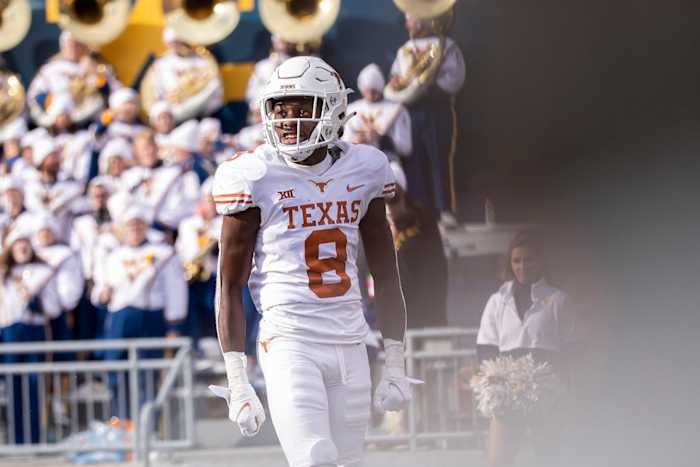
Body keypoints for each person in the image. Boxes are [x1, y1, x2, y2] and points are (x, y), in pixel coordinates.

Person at [213, 56, 416, 467]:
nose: (287, 119)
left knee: (350, 460)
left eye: (301, 108)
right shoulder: (254, 174)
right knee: (314, 458)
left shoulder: (366, 168)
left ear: (333, 109)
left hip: (351, 338)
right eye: (280, 109)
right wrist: (237, 380)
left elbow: (387, 275)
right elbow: (229, 285)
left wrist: (395, 360)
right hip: (290, 340)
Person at [476, 230, 578, 467]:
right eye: (516, 260)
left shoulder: (559, 300)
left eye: (529, 259)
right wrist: (498, 382)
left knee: (547, 457)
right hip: (505, 396)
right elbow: (485, 346)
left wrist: (556, 383)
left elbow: (573, 348)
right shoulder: (496, 300)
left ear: (541, 261)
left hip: (547, 394)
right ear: (509, 263)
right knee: (498, 459)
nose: (522, 266)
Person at [93, 205, 187, 416]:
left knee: (148, 373)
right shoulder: (114, 256)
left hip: (149, 316)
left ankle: (148, 426)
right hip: (119, 317)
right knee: (116, 370)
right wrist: (103, 293)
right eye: (130, 225)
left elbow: (175, 290)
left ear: (146, 226)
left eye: (139, 224)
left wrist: (174, 324)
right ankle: (121, 419)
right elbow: (100, 288)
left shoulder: (163, 254)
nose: (134, 228)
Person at [386, 10, 465, 227]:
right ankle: (421, 211)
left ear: (423, 20)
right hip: (411, 112)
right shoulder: (405, 50)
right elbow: (397, 77)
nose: (407, 23)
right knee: (414, 160)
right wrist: (396, 83)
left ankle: (444, 210)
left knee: (438, 159)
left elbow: (454, 78)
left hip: (436, 110)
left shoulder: (446, 46)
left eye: (410, 18)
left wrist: (428, 90)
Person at [0, 227, 61, 444]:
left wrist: (38, 305)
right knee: (13, 386)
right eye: (18, 243)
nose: (22, 248)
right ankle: (17, 439)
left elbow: (54, 308)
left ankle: (34, 438)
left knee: (35, 386)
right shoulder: (4, 273)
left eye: (26, 243)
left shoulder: (43, 271)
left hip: (35, 330)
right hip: (10, 333)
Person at [27, 31, 120, 128]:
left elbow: (114, 93)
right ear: (62, 47)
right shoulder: (50, 69)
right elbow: (34, 97)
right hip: (55, 124)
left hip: (90, 124)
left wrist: (94, 72)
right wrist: (54, 114)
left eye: (78, 45)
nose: (74, 49)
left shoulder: (100, 67)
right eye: (70, 45)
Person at [147, 28, 223, 123]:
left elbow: (215, 88)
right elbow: (157, 92)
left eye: (181, 42)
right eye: (175, 42)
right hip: (173, 115)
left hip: (204, 116)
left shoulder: (203, 60)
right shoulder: (162, 64)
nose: (179, 45)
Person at [343, 63, 412, 161]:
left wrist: (383, 140)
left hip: (388, 162)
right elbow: (345, 145)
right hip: (358, 163)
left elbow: (405, 149)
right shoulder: (352, 109)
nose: (371, 94)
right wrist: (356, 142)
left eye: (374, 91)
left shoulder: (396, 110)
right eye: (368, 90)